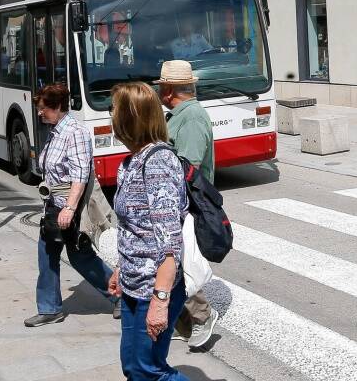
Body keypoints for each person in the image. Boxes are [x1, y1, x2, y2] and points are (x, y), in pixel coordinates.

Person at [107, 82, 189, 381]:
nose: (110, 116)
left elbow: (170, 243)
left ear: (130, 117)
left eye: (114, 110)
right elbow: (133, 227)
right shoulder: (131, 162)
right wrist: (120, 268)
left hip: (153, 287)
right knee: (133, 368)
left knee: (148, 371)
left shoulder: (158, 163)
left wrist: (160, 301)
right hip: (133, 282)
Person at [24, 83, 116, 328]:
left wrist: (69, 208)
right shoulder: (56, 130)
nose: (40, 113)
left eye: (43, 109)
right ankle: (49, 308)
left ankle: (119, 295)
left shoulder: (74, 131)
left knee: (80, 256)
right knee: (48, 254)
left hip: (66, 206)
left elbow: (80, 174)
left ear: (57, 107)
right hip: (53, 204)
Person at [156, 61, 218, 349]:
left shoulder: (191, 117)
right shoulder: (180, 114)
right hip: (179, 202)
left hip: (187, 203)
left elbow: (188, 167)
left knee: (180, 263)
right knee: (173, 262)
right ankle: (182, 320)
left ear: (168, 90)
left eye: (161, 86)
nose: (158, 90)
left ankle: (202, 315)